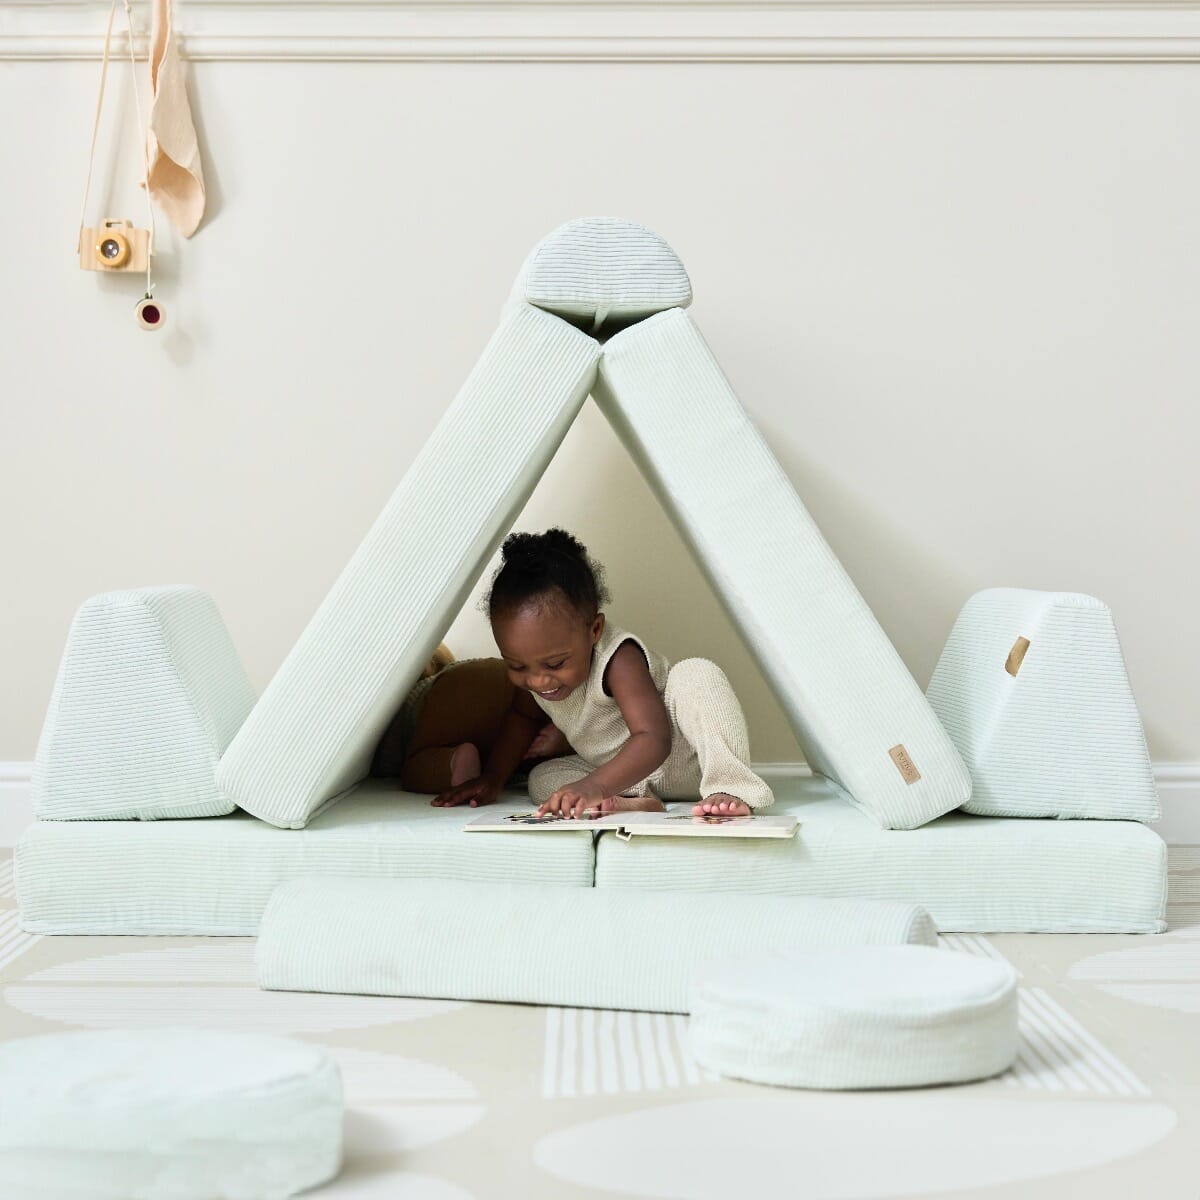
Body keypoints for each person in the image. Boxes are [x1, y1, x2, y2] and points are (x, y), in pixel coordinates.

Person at [431, 528, 774, 818]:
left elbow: (653, 738)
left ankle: (730, 787)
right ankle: (631, 804)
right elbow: (522, 719)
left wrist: (592, 785)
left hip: (689, 758)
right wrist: (493, 778)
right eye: (516, 666)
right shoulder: (536, 673)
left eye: (555, 664)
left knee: (697, 672)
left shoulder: (618, 658)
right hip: (626, 777)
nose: (536, 680)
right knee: (543, 780)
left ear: (594, 630)